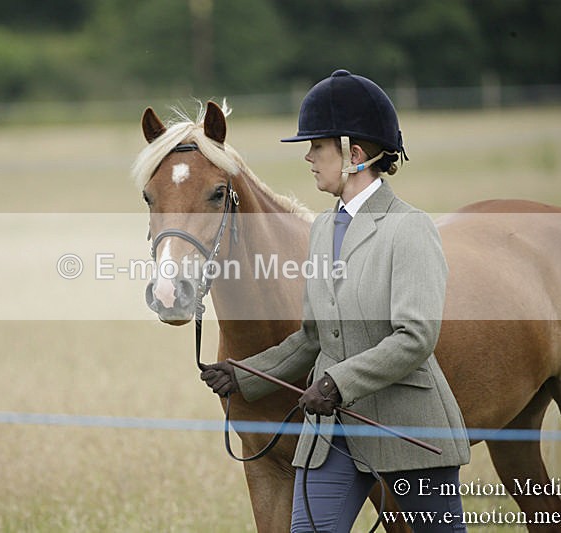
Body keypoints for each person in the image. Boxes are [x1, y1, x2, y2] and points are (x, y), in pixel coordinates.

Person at [200, 69, 471, 532]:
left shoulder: (410, 228)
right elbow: (313, 337)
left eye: (318, 146)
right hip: (332, 433)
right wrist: (244, 374)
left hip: (406, 430)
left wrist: (335, 383)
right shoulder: (324, 228)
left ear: (354, 155)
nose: (308, 156)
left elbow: (415, 337)